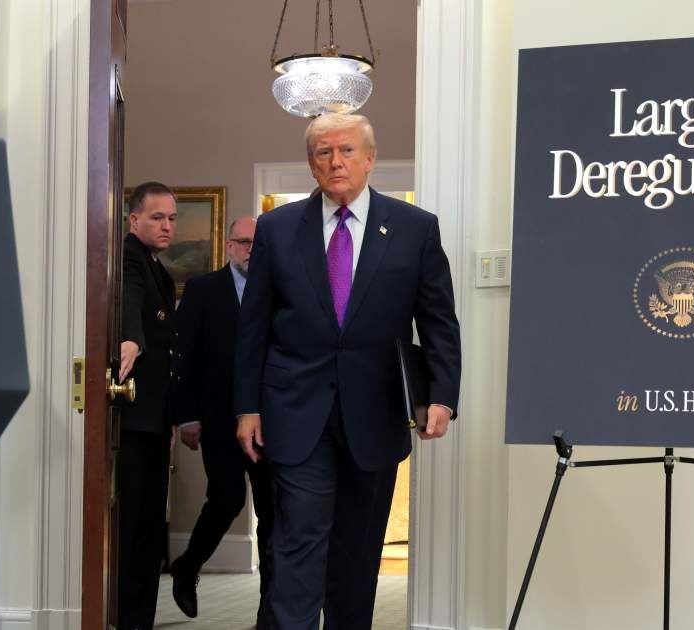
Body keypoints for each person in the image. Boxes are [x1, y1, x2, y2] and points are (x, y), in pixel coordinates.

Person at [233, 113, 462, 629]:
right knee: (297, 540)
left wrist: (443, 395)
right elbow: (253, 326)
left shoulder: (415, 228)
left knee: (357, 552)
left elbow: (438, 321)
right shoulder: (277, 229)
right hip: (295, 410)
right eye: (324, 152)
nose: (336, 161)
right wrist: (247, 406)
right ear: (311, 164)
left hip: (376, 413)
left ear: (370, 159)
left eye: (347, 150)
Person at [169, 217, 274, 629]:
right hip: (218, 419)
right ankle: (188, 565)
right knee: (227, 499)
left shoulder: (279, 288)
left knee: (273, 513)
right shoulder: (203, 289)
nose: (250, 249)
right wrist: (187, 416)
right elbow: (183, 357)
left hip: (269, 421)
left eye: (257, 243)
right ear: (229, 245)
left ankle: (269, 612)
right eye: (243, 242)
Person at [116, 181, 179, 630]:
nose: (167, 226)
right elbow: (128, 297)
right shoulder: (129, 257)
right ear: (134, 219)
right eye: (157, 217)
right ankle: (126, 618)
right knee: (133, 526)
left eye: (172, 218)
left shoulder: (160, 269)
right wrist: (131, 338)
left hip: (156, 418)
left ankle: (140, 619)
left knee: (150, 528)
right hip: (134, 419)